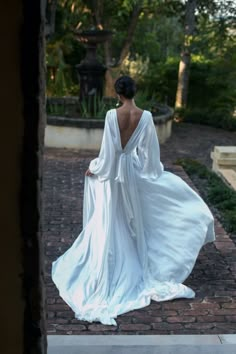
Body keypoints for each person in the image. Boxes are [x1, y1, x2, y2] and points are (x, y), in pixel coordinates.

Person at [51, 75, 215, 326]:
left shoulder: (110, 116)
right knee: (136, 217)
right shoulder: (146, 117)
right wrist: (153, 173)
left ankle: (114, 263)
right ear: (134, 91)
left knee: (114, 217)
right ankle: (139, 258)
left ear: (118, 94)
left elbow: (107, 153)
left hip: (115, 171)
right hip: (134, 171)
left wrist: (95, 168)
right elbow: (150, 155)